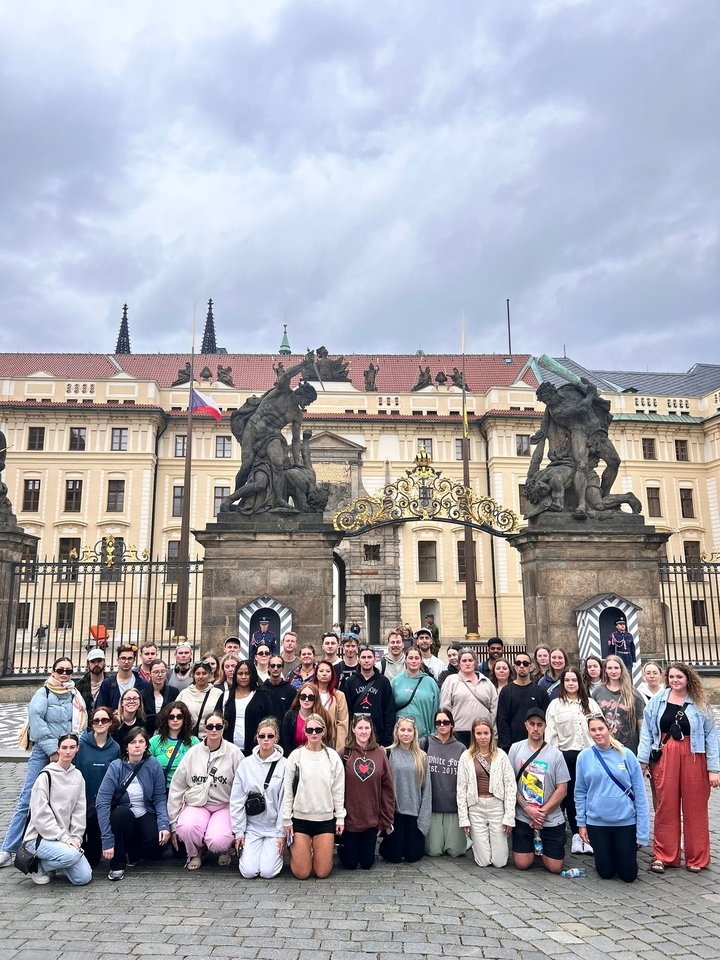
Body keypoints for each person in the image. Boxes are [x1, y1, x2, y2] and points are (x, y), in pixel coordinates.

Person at [0, 657, 87, 867]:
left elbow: (82, 721)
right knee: (27, 798)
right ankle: (8, 848)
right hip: (44, 751)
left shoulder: (74, 693)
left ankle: (59, 843)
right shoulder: (43, 693)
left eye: (68, 670)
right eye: (60, 670)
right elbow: (36, 723)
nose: (64, 674)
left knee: (67, 799)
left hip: (68, 752)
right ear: (53, 671)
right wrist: (52, 750)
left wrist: (72, 747)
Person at [638, 662, 720, 873]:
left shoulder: (700, 703)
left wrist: (713, 769)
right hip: (666, 756)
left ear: (688, 679)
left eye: (679, 677)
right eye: (672, 677)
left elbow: (712, 736)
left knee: (696, 808)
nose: (675, 681)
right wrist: (643, 759)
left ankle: (696, 857)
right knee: (665, 806)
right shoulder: (658, 700)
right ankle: (664, 855)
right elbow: (647, 730)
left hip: (694, 756)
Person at [575, 715, 649, 882]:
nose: (597, 733)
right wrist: (581, 823)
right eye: (593, 730)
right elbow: (580, 792)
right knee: (606, 873)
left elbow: (640, 795)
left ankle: (625, 856)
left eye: (600, 729)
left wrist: (642, 832)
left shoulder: (627, 755)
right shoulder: (584, 757)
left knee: (628, 876)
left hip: (625, 821)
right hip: (597, 822)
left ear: (609, 729)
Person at [168, 712, 243, 870]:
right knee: (186, 827)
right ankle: (195, 852)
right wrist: (173, 823)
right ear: (204, 728)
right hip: (197, 803)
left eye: (218, 726)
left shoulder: (235, 752)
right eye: (210, 726)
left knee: (218, 840)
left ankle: (223, 849)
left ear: (224, 728)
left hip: (223, 804)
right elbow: (177, 787)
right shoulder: (193, 753)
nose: (214, 730)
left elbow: (243, 787)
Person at [96, 726, 170, 881]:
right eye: (133, 742)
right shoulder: (116, 766)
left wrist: (164, 824)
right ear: (126, 746)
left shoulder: (153, 765)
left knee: (156, 845)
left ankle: (135, 851)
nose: (137, 745)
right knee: (122, 814)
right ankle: (118, 865)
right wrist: (107, 839)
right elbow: (102, 802)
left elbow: (159, 797)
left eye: (141, 741)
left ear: (146, 746)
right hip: (123, 816)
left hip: (145, 812)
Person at [545, 668, 601, 855]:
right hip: (566, 756)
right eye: (567, 680)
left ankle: (591, 832)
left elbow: (599, 730)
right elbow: (551, 735)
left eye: (574, 680)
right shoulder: (555, 705)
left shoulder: (590, 704)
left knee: (589, 794)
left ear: (580, 682)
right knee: (571, 796)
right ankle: (577, 835)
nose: (570, 684)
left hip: (588, 755)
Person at [283, 713, 346, 879]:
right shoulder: (295, 756)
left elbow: (338, 791)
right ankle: (300, 851)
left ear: (323, 731)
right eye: (310, 729)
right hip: (300, 819)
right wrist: (286, 820)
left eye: (318, 729)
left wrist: (340, 818)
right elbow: (288, 791)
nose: (314, 733)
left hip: (324, 819)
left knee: (322, 872)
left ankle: (317, 850)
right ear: (305, 731)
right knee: (302, 873)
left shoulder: (333, 757)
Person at [24, 733, 92, 885]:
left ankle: (49, 864)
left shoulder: (78, 776)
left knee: (83, 878)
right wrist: (64, 838)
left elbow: (79, 811)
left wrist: (76, 838)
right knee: (71, 856)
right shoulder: (46, 776)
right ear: (58, 749)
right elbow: (40, 815)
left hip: (65, 840)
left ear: (77, 749)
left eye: (72, 747)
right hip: (39, 837)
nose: (68, 751)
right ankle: (37, 865)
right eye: (64, 748)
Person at [508, 708, 570, 875]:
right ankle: (532, 848)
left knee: (555, 867)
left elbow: (562, 789)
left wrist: (541, 813)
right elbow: (509, 783)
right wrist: (528, 809)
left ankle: (545, 846)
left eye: (539, 725)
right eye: (532, 724)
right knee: (522, 864)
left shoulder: (556, 755)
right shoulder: (515, 749)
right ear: (526, 726)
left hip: (550, 817)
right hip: (524, 815)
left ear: (545, 727)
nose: (536, 728)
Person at [230, 717, 286, 879]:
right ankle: (252, 854)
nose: (266, 740)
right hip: (252, 827)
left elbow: (285, 801)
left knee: (268, 872)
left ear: (276, 738)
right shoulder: (245, 764)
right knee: (249, 872)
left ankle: (270, 853)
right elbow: (237, 800)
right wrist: (239, 832)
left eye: (270, 736)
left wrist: (281, 832)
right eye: (262, 736)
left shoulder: (285, 765)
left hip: (274, 827)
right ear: (256, 737)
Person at [456, 717, 516, 868]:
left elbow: (510, 786)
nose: (482, 737)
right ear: (474, 735)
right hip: (476, 806)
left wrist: (509, 817)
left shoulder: (501, 756)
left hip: (496, 805)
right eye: (479, 733)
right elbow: (461, 789)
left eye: (486, 733)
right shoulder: (466, 756)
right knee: (483, 861)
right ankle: (477, 843)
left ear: (491, 734)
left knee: (499, 862)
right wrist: (464, 818)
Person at [339, 715, 395, 871]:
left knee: (366, 864)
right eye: (360, 728)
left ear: (371, 730)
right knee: (351, 864)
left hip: (371, 819)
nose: (363, 731)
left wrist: (385, 819)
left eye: (366, 728)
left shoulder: (380, 753)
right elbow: (335, 787)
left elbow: (388, 788)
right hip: (350, 819)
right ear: (353, 730)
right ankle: (343, 849)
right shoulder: (344, 753)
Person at [379, 717, 432, 864]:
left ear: (414, 733)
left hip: (414, 812)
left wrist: (424, 820)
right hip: (395, 812)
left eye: (409, 730)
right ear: (397, 731)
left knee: (413, 856)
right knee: (394, 857)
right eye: (402, 730)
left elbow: (427, 790)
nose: (406, 734)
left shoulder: (422, 756)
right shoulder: (387, 753)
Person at [74, 705, 120, 867]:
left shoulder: (115, 748)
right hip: (81, 801)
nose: (100, 723)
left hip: (103, 803)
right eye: (96, 720)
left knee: (94, 855)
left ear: (110, 723)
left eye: (104, 720)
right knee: (88, 855)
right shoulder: (81, 744)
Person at [420, 710, 466, 858]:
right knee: (433, 851)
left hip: (453, 806)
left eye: (445, 722)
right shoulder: (425, 743)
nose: (442, 725)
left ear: (452, 724)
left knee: (456, 851)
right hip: (433, 806)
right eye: (438, 722)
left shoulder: (461, 748)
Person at [440, 648, 497, 747]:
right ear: (459, 663)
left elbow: (494, 709)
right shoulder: (451, 681)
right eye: (464, 661)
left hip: (482, 733)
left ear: (475, 662)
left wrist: (493, 733)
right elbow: (445, 708)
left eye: (470, 660)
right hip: (458, 732)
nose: (467, 663)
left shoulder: (487, 682)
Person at [343, 646, 396, 747]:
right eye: (363, 657)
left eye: (369, 657)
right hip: (356, 736)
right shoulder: (350, 682)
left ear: (375, 660)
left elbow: (389, 711)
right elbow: (347, 711)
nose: (366, 660)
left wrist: (387, 739)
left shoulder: (383, 682)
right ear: (358, 660)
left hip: (378, 737)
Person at [497, 652, 548, 752]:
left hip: (536, 746)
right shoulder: (506, 691)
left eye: (525, 663)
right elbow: (502, 721)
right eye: (518, 663)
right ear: (515, 667)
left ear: (530, 666)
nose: (521, 666)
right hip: (512, 747)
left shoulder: (540, 692)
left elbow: (546, 720)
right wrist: (507, 747)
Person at [594, 655, 644, 753]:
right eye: (610, 668)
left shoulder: (633, 693)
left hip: (629, 748)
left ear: (621, 669)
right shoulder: (598, 691)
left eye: (616, 668)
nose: (613, 671)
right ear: (605, 670)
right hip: (605, 747)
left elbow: (641, 725)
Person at [223, 659, 273, 756]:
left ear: (253, 675)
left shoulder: (262, 696)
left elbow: (270, 722)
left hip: (256, 751)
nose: (243, 677)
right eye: (240, 673)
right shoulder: (226, 695)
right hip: (229, 751)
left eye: (247, 673)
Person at [148, 702, 200, 792]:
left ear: (185, 719)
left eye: (179, 717)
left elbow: (198, 767)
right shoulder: (154, 741)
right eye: (171, 717)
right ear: (166, 719)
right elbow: (147, 766)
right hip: (159, 789)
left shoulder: (194, 742)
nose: (175, 720)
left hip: (184, 789)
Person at [390, 646, 440, 740]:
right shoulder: (396, 682)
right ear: (405, 660)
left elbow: (436, 709)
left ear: (421, 660)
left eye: (416, 658)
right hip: (401, 736)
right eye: (410, 658)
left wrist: (435, 734)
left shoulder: (430, 683)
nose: (413, 661)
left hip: (424, 737)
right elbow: (389, 710)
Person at [280, 683, 331, 756]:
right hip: (294, 758)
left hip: (317, 758)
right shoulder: (289, 716)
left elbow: (327, 741)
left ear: (315, 699)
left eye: (310, 697)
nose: (306, 700)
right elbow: (286, 744)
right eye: (303, 696)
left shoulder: (323, 716)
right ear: (298, 697)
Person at [96, 645, 149, 711]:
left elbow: (146, 709)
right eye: (123, 658)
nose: (126, 662)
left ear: (134, 660)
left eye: (130, 658)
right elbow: (101, 708)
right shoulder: (108, 683)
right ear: (118, 660)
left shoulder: (143, 684)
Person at [177, 661, 223, 737]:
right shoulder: (184, 693)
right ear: (193, 675)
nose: (201, 676)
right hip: (188, 738)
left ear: (210, 675)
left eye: (204, 673)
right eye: (198, 674)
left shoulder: (218, 693)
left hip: (211, 738)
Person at [314, 659, 349, 751]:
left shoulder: (339, 695)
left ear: (332, 674)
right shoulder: (310, 693)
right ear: (316, 674)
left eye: (328, 671)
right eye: (321, 671)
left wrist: (340, 749)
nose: (324, 674)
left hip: (331, 739)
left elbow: (342, 723)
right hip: (312, 736)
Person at [141, 660, 180, 737]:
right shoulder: (143, 694)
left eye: (163, 671)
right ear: (150, 674)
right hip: (148, 733)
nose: (160, 675)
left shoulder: (173, 692)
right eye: (156, 672)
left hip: (169, 732)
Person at [264, 655, 295, 727]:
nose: (275, 668)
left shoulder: (290, 690)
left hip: (284, 733)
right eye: (272, 666)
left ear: (282, 668)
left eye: (279, 666)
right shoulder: (261, 690)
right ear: (268, 667)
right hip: (265, 734)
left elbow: (293, 715)